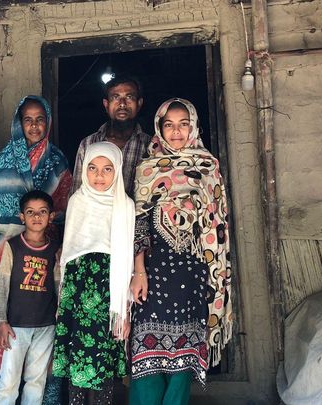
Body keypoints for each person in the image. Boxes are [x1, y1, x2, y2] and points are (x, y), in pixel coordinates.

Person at [129, 98, 233, 405]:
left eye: (183, 124)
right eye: (169, 125)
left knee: (184, 358)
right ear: (159, 128)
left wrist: (213, 279)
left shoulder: (208, 167)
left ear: (193, 127)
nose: (176, 132)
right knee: (146, 355)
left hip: (193, 273)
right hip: (153, 274)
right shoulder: (147, 169)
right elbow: (139, 223)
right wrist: (138, 271)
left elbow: (218, 225)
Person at [0, 95, 71, 404]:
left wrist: (52, 238)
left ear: (48, 122)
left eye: (40, 119)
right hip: (7, 251)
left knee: (39, 366)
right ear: (19, 124)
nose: (34, 126)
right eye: (28, 120)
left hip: (47, 251)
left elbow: (65, 211)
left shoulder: (57, 161)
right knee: (8, 343)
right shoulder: (3, 159)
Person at [53, 142, 135, 405]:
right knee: (77, 356)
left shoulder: (125, 205)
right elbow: (68, 253)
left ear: (117, 170)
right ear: (84, 170)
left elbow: (127, 259)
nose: (99, 176)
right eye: (92, 168)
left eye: (107, 169)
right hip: (77, 288)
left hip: (108, 289)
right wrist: (63, 298)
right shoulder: (77, 201)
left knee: (103, 361)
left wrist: (123, 309)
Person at [0, 190, 62, 405]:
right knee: (8, 382)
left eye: (43, 212)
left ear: (51, 216)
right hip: (15, 326)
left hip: (45, 325)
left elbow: (58, 286)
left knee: (36, 381)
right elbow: (2, 285)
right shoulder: (13, 246)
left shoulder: (55, 249)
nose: (37, 217)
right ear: (22, 217)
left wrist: (60, 318)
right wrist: (1, 321)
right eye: (30, 212)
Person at [71, 76, 151, 197]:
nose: (122, 104)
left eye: (129, 97)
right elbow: (77, 191)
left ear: (139, 104)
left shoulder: (151, 146)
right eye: (115, 97)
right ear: (106, 104)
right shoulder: (88, 144)